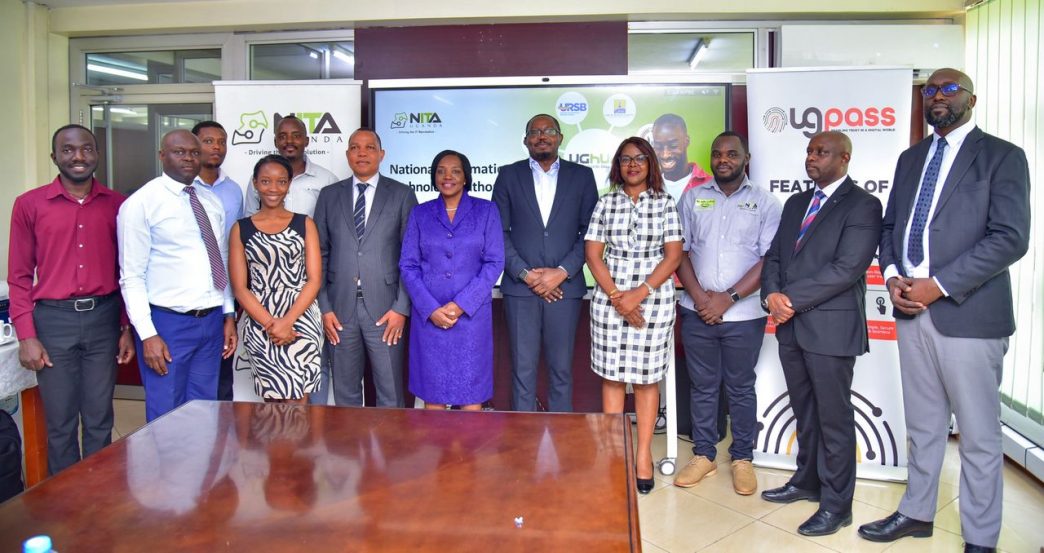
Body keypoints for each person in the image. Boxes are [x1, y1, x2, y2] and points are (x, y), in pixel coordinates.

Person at [859, 68, 1030, 553]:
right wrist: (892, 275)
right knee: (923, 424)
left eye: (948, 89)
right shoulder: (911, 159)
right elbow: (891, 227)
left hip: (970, 314)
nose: (937, 97)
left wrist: (938, 285)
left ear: (971, 99)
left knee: (977, 435)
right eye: (929, 90)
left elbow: (1009, 238)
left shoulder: (1001, 156)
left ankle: (980, 538)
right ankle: (917, 511)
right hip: (911, 311)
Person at [759, 131, 881, 536]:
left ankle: (836, 504)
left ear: (844, 158)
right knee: (805, 411)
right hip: (791, 327)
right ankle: (806, 481)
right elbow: (775, 255)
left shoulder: (863, 205)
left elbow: (847, 269)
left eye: (821, 152)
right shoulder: (796, 203)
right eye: (809, 151)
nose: (811, 157)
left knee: (834, 417)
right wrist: (771, 296)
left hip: (830, 327)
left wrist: (787, 299)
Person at [7, 124, 134, 474]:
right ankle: (63, 505)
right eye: (68, 150)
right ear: (55, 157)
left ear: (96, 154)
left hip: (103, 319)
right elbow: (18, 277)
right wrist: (27, 336)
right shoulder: (29, 205)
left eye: (86, 149)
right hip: (53, 321)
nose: (78, 156)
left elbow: (126, 271)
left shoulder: (117, 205)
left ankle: (98, 495)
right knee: (60, 423)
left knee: (99, 417)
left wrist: (125, 326)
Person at [673, 131, 781, 495]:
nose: (723, 160)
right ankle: (703, 454)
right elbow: (680, 253)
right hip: (695, 311)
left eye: (731, 154)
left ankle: (742, 458)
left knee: (740, 386)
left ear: (745, 158)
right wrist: (702, 299)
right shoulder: (691, 199)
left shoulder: (766, 204)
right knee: (702, 386)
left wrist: (728, 298)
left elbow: (770, 260)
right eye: (717, 154)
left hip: (745, 315)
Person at [118, 129, 237, 422]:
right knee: (166, 415)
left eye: (194, 153)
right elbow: (131, 276)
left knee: (205, 412)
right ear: (162, 155)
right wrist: (147, 334)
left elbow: (219, 259)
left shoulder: (210, 201)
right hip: (167, 325)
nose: (188, 158)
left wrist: (228, 314)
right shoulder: (141, 203)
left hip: (210, 322)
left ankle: (198, 470)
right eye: (179, 152)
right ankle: (165, 470)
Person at [585, 137, 683, 494]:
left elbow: (673, 255)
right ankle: (616, 454)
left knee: (645, 380)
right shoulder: (606, 202)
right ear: (617, 165)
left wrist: (638, 294)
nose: (633, 165)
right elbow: (593, 254)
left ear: (650, 163)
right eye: (626, 159)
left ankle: (642, 455)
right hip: (609, 299)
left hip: (652, 298)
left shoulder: (665, 202)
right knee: (612, 379)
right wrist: (616, 296)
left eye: (640, 158)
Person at [492, 114, 598, 412]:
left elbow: (590, 233)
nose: (542, 136)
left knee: (561, 371)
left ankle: (560, 441)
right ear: (525, 140)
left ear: (560, 137)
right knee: (522, 372)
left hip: (565, 290)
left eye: (548, 131)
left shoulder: (582, 176)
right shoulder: (508, 175)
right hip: (519, 289)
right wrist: (526, 275)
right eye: (534, 132)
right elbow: (498, 232)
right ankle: (522, 447)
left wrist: (561, 272)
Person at [314, 129, 418, 407]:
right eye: (355, 147)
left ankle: (390, 449)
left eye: (369, 147)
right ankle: (351, 451)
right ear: (347, 154)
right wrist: (325, 308)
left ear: (381, 154)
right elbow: (320, 254)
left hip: (387, 311)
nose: (362, 153)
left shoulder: (401, 194)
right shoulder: (328, 196)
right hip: (339, 311)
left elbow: (412, 257)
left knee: (390, 391)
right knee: (346, 393)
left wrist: (401, 309)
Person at [399, 150, 504, 410]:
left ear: (466, 177)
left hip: (471, 319)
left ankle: (468, 453)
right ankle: (437, 452)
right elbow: (408, 265)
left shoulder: (486, 211)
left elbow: (494, 262)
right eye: (441, 171)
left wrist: (460, 305)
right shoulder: (419, 214)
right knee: (432, 398)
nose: (448, 176)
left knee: (471, 399)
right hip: (430, 319)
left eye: (455, 171)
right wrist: (431, 309)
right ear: (433, 177)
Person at [229, 155, 323, 403]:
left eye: (281, 181)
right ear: (255, 183)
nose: (273, 188)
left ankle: (300, 444)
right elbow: (240, 288)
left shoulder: (305, 224)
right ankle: (277, 444)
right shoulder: (241, 228)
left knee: (299, 400)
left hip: (301, 318)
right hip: (261, 321)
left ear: (289, 184)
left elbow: (314, 279)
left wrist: (288, 321)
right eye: (266, 181)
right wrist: (272, 324)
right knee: (274, 402)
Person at [192, 120, 244, 401]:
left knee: (223, 374)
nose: (216, 147)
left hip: (225, 292)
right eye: (208, 141)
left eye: (221, 142)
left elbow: (237, 245)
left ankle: (223, 441)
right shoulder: (184, 189)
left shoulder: (234, 190)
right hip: (189, 294)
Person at [245, 115, 337, 218]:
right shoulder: (260, 178)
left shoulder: (327, 180)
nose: (289, 141)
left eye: (296, 136)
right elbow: (250, 219)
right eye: (282, 136)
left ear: (306, 141)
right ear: (275, 142)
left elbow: (334, 222)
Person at [650, 113, 713, 202]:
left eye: (673, 145)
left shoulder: (711, 185)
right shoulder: (647, 185)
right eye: (658, 146)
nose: (665, 155)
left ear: (686, 141)